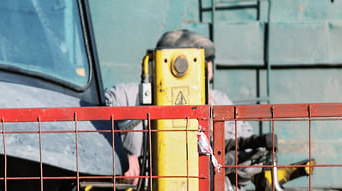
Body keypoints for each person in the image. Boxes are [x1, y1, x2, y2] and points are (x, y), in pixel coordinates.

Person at [104, 29, 255, 181]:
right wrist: (120, 155)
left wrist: (215, 130)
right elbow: (89, 132)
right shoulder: (125, 97)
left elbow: (249, 166)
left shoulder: (220, 101)